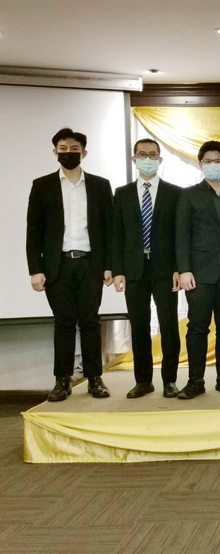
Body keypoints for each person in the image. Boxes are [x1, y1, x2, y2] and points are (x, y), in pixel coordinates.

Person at [26, 128, 113, 401]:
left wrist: (109, 265)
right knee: (63, 323)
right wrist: (35, 269)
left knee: (90, 322)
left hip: (90, 264)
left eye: (74, 149)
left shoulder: (100, 185)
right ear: (55, 152)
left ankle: (94, 379)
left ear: (84, 153)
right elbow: (33, 231)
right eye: (62, 149)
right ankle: (62, 381)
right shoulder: (42, 185)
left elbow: (109, 229)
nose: (68, 153)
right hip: (57, 266)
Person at [112, 138, 182, 399]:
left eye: (153, 155)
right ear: (134, 159)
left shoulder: (175, 193)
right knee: (139, 326)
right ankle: (143, 381)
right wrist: (118, 270)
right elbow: (117, 234)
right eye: (142, 154)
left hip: (166, 270)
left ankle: (170, 380)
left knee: (168, 326)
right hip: (134, 270)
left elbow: (179, 235)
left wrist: (179, 268)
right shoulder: (122, 193)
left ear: (160, 159)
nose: (148, 159)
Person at [175, 141, 220, 399]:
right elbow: (181, 236)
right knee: (197, 328)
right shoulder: (189, 195)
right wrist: (184, 270)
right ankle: (195, 381)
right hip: (199, 274)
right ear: (200, 164)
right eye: (208, 161)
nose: (213, 165)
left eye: (217, 161)